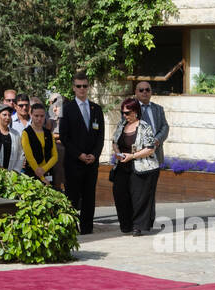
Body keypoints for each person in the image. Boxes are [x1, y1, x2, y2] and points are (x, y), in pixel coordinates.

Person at [60, 73, 104, 234]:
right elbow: (64, 137)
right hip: (74, 162)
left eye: (85, 86)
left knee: (89, 197)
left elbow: (100, 136)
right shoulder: (66, 109)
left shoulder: (96, 109)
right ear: (73, 88)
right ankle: (71, 227)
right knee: (72, 196)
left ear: (89, 87)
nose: (82, 89)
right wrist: (79, 155)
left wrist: (95, 155)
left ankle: (87, 228)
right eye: (79, 86)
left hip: (91, 163)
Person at [110, 97, 159, 235]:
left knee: (139, 197)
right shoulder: (121, 124)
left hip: (141, 166)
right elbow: (114, 141)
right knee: (120, 194)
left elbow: (150, 148)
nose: (124, 115)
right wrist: (118, 153)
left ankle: (138, 226)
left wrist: (132, 156)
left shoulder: (144, 127)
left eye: (127, 113)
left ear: (135, 111)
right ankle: (126, 224)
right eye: (123, 113)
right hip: (122, 166)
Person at [134, 79, 169, 203]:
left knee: (151, 191)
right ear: (136, 92)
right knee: (140, 191)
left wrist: (157, 140)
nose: (145, 92)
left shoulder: (158, 109)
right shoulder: (131, 109)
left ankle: (149, 219)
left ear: (151, 92)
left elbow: (165, 127)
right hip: (139, 156)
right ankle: (139, 220)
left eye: (147, 90)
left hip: (156, 154)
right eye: (141, 90)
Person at [21, 101, 59, 185]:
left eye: (42, 116)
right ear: (31, 115)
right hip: (32, 174)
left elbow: (55, 156)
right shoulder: (26, 133)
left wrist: (44, 169)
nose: (39, 119)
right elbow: (29, 157)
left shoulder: (48, 133)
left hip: (49, 173)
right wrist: (41, 177)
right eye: (36, 116)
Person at [0, 102, 24, 172]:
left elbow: (21, 153)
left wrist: (16, 171)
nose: (7, 118)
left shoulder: (15, 134)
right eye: (4, 115)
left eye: (9, 115)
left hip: (12, 174)